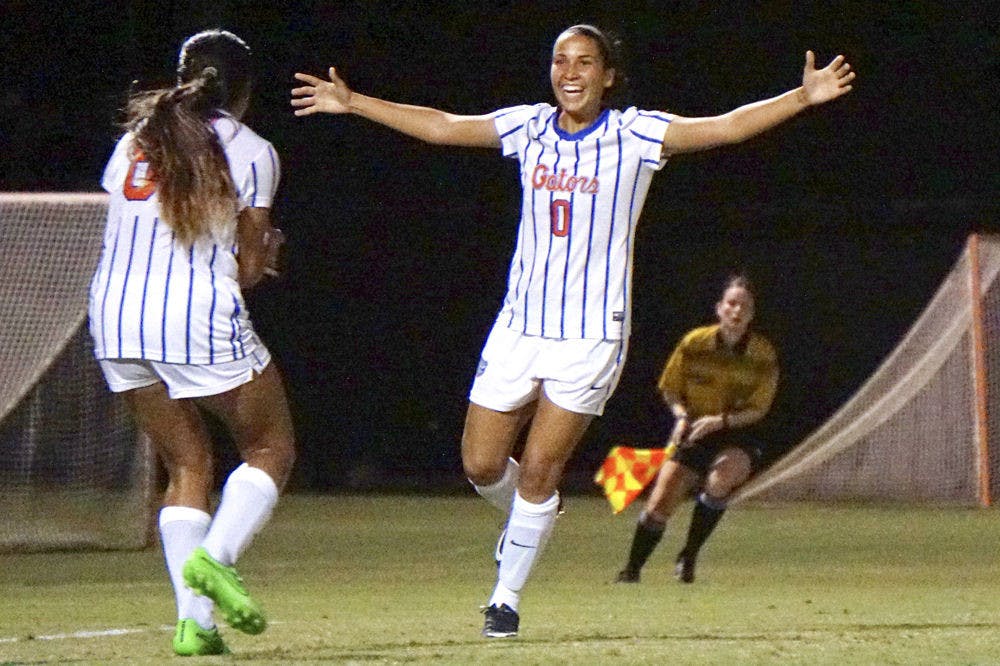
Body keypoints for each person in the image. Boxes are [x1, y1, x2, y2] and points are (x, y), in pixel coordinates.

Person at [291, 24, 852, 638]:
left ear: (608, 75)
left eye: (585, 61)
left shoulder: (633, 134)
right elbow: (446, 125)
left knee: (538, 468)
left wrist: (800, 98)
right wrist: (355, 103)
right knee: (480, 465)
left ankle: (504, 599)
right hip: (518, 327)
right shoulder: (529, 126)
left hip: (590, 335)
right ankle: (532, 521)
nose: (570, 71)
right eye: (560, 60)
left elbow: (722, 126)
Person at [88, 29, 295, 656]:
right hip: (193, 315)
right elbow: (248, 266)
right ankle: (217, 558)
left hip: (115, 319)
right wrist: (268, 253)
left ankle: (196, 625)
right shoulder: (253, 148)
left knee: (188, 464)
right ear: (246, 91)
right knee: (270, 446)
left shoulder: (134, 140)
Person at [616, 275, 778, 584]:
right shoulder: (694, 343)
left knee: (722, 478)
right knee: (658, 506)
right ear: (719, 308)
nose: (736, 311)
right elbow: (670, 390)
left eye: (744, 306)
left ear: (752, 315)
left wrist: (721, 421)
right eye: (731, 304)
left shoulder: (763, 354)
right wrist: (680, 418)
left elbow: (759, 408)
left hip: (736, 431)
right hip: (694, 428)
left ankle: (688, 555)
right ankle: (631, 571)